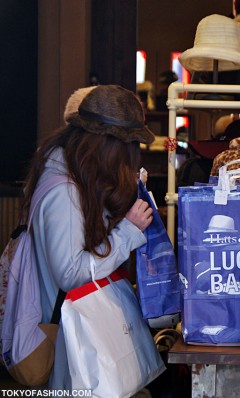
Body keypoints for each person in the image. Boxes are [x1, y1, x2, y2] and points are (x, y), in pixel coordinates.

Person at [21, 84, 156, 389]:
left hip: (77, 336)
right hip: (70, 342)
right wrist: (128, 231)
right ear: (108, 145)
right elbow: (71, 273)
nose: (130, 157)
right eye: (128, 148)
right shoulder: (64, 190)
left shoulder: (75, 177)